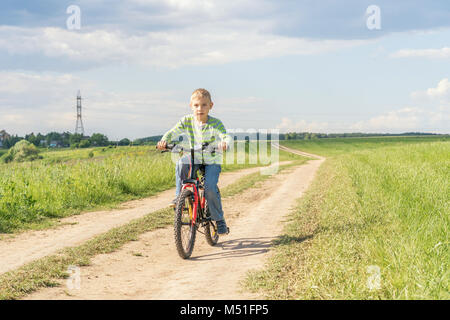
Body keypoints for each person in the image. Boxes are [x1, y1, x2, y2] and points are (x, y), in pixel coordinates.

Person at [156, 88, 232, 235]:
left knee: (209, 187)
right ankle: (180, 197)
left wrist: (224, 143)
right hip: (194, 156)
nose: (200, 108)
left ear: (211, 106)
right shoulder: (186, 121)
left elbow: (225, 136)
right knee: (182, 163)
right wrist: (164, 140)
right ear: (191, 106)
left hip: (212, 160)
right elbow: (173, 132)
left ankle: (219, 220)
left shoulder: (215, 124)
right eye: (196, 105)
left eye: (204, 105)